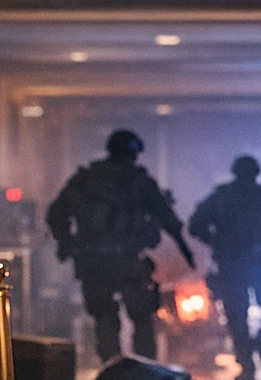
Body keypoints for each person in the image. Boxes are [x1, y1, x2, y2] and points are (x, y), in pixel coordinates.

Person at [47, 129, 195, 362]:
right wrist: (187, 252)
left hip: (94, 262)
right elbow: (168, 219)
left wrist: (68, 243)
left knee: (104, 318)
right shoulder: (139, 181)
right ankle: (144, 374)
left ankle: (112, 370)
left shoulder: (87, 179)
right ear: (134, 153)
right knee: (142, 319)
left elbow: (56, 214)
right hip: (128, 262)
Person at [189, 155, 261, 380]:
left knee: (237, 317)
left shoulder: (221, 197)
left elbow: (196, 225)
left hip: (232, 263)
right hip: (257, 261)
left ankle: (247, 367)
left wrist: (217, 242)